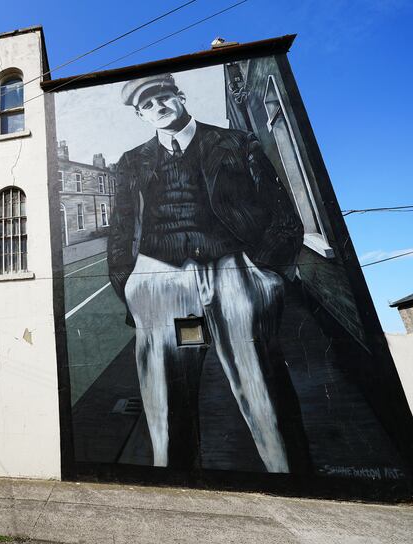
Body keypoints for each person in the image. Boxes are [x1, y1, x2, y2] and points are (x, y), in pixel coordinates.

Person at [107, 73, 310, 473]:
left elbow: (283, 214)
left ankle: (293, 479)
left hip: (232, 269)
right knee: (165, 394)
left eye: (163, 97)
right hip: (159, 279)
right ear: (140, 115)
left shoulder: (237, 143)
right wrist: (129, 284)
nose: (158, 107)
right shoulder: (132, 162)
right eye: (147, 105)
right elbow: (121, 227)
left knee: (261, 384)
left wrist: (264, 271)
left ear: (180, 96)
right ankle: (175, 484)